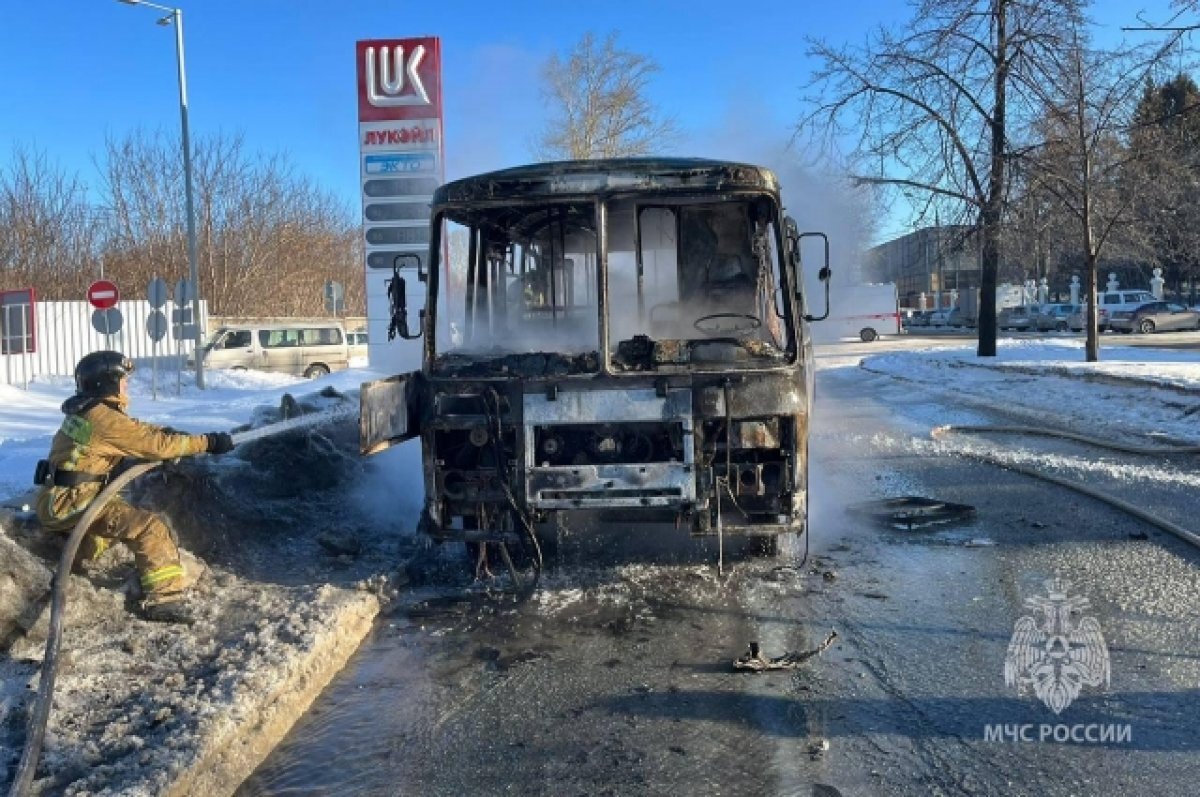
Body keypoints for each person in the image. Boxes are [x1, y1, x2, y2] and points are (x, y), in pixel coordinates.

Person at [35, 351, 235, 625]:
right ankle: (164, 600)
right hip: (73, 502)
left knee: (112, 527)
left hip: (63, 498)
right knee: (148, 527)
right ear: (107, 382)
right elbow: (155, 446)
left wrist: (169, 431)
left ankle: (76, 559)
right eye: (123, 379)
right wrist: (209, 443)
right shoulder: (103, 420)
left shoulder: (92, 412)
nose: (126, 385)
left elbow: (138, 431)